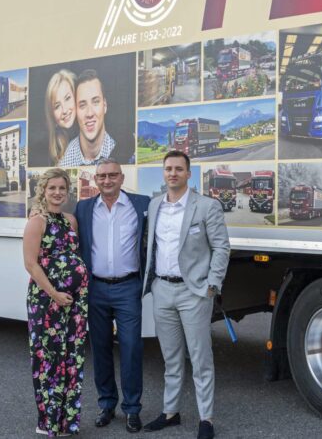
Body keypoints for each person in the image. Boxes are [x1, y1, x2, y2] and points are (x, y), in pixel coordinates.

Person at [143, 151, 230, 439]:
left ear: (188, 174)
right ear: (163, 172)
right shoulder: (155, 205)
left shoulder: (206, 206)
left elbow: (221, 247)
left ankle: (206, 419)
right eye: (168, 168)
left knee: (200, 359)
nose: (173, 173)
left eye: (179, 169)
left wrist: (212, 285)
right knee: (171, 358)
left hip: (194, 292)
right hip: (162, 290)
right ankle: (170, 412)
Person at [74, 158, 150, 433]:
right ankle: (107, 404)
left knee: (131, 348)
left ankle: (132, 409)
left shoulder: (141, 205)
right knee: (100, 348)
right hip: (95, 288)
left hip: (128, 287)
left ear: (121, 178)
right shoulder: (83, 208)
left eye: (113, 175)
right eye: (102, 176)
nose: (107, 180)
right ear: (96, 180)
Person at [23, 168, 89, 436]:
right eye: (52, 188)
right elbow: (31, 264)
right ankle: (47, 422)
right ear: (43, 190)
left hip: (74, 303)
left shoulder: (70, 220)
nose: (58, 192)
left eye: (62, 188)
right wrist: (54, 294)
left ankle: (66, 421)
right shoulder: (37, 222)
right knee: (49, 359)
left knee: (72, 358)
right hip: (46, 301)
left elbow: (72, 255)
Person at [59, 70, 117, 167]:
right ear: (75, 111)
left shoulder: (122, 152)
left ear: (105, 106)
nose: (89, 113)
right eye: (82, 105)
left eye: (95, 102)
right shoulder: (64, 163)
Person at [45, 70, 78, 166]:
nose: (64, 110)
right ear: (52, 115)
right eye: (57, 106)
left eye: (67, 98)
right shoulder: (55, 153)